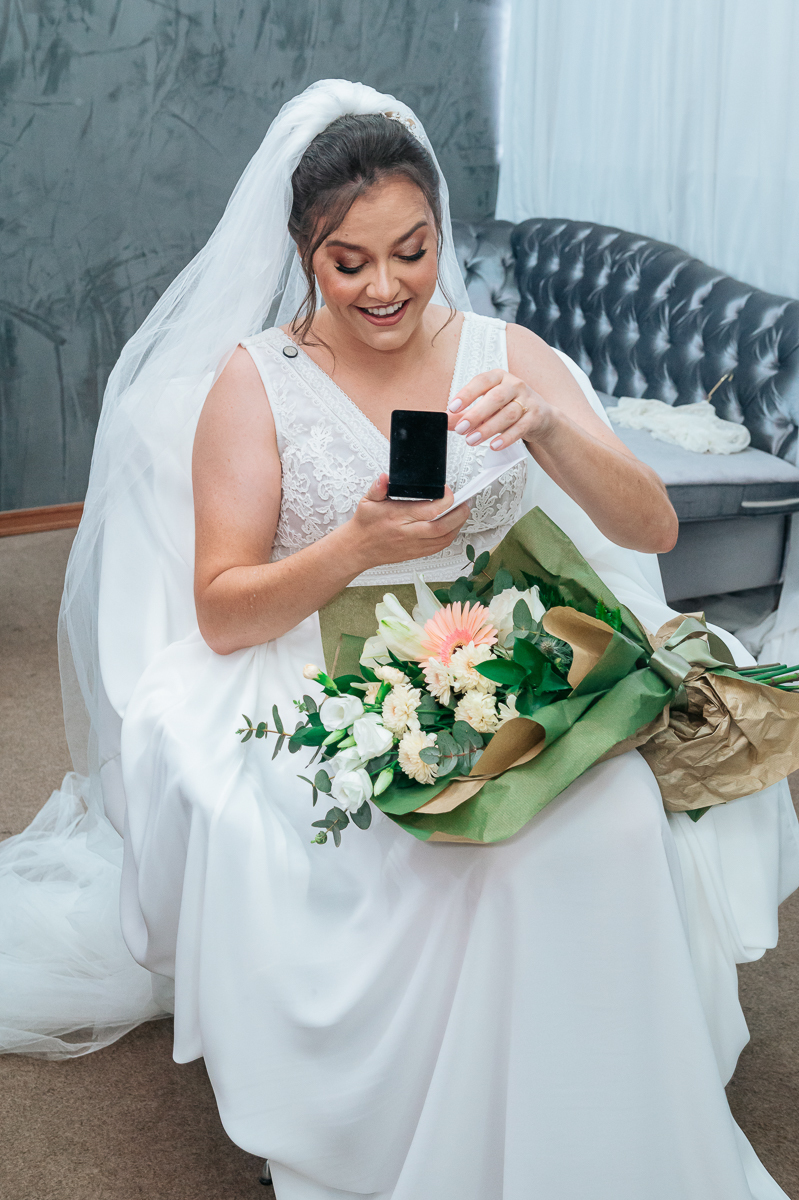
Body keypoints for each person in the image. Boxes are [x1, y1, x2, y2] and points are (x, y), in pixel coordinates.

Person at [2, 80, 798, 1199]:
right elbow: (226, 609)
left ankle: (597, 1137)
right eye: (350, 262)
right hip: (316, 660)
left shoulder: (503, 351)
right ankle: (428, 1136)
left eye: (412, 252)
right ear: (305, 255)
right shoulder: (257, 383)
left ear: (440, 236)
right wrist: (359, 543)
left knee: (609, 818)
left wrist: (556, 427)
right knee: (426, 853)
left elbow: (651, 528)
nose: (386, 287)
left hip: (503, 641)